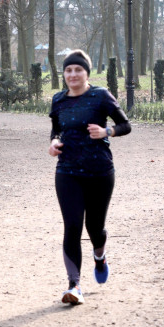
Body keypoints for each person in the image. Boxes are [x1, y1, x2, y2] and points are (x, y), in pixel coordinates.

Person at [48, 49, 131, 305]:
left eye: (78, 70)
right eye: (69, 70)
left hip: (99, 172)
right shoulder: (58, 100)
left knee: (95, 228)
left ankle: (100, 255)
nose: (73, 74)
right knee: (72, 226)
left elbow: (125, 125)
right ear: (64, 74)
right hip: (67, 172)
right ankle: (74, 286)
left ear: (86, 73)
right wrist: (53, 143)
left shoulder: (100, 96)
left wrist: (107, 131)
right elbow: (56, 130)